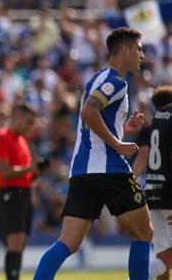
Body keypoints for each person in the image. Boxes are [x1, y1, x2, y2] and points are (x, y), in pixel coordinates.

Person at [34, 27, 152, 280]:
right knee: (144, 234)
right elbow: (89, 112)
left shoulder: (96, 79)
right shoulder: (117, 81)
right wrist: (118, 145)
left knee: (68, 242)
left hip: (82, 172)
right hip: (109, 168)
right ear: (125, 50)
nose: (142, 55)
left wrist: (122, 129)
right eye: (139, 49)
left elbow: (93, 119)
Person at [0, 103, 46, 280]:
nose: (30, 127)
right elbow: (4, 171)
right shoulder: (2, 137)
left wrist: (37, 172)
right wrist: (30, 168)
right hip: (11, 192)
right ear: (17, 117)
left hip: (25, 192)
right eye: (28, 122)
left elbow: (27, 175)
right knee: (15, 240)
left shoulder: (23, 141)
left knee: (21, 240)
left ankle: (15, 276)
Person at [133, 85, 172, 280]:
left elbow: (144, 154)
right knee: (167, 257)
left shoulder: (153, 123)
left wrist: (130, 177)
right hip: (170, 192)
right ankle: (138, 277)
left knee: (163, 251)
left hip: (154, 191)